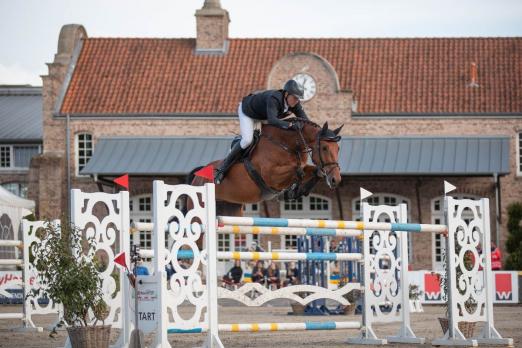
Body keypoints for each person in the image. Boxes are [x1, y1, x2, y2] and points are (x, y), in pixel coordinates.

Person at [214, 80, 310, 184]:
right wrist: (290, 125)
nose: (296, 101)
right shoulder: (275, 99)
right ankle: (222, 169)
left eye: (298, 99)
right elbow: (273, 120)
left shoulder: (295, 104)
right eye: (295, 98)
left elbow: (306, 121)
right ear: (286, 94)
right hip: (248, 112)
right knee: (247, 140)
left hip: (263, 116)